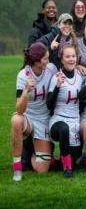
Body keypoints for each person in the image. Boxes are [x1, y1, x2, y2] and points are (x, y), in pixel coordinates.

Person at [11, 43, 57, 181]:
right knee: (16, 120)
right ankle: (17, 168)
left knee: (42, 170)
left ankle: (33, 151)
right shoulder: (23, 75)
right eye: (45, 59)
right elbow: (19, 110)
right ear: (36, 61)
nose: (48, 62)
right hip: (28, 117)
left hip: (43, 119)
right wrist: (26, 91)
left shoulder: (51, 69)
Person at [47, 46, 85, 178]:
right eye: (67, 57)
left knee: (74, 158)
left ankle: (52, 162)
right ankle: (67, 169)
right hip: (58, 121)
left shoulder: (80, 76)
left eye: (73, 56)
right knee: (64, 128)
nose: (71, 59)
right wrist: (57, 86)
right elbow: (49, 104)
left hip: (75, 121)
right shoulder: (57, 77)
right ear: (61, 60)